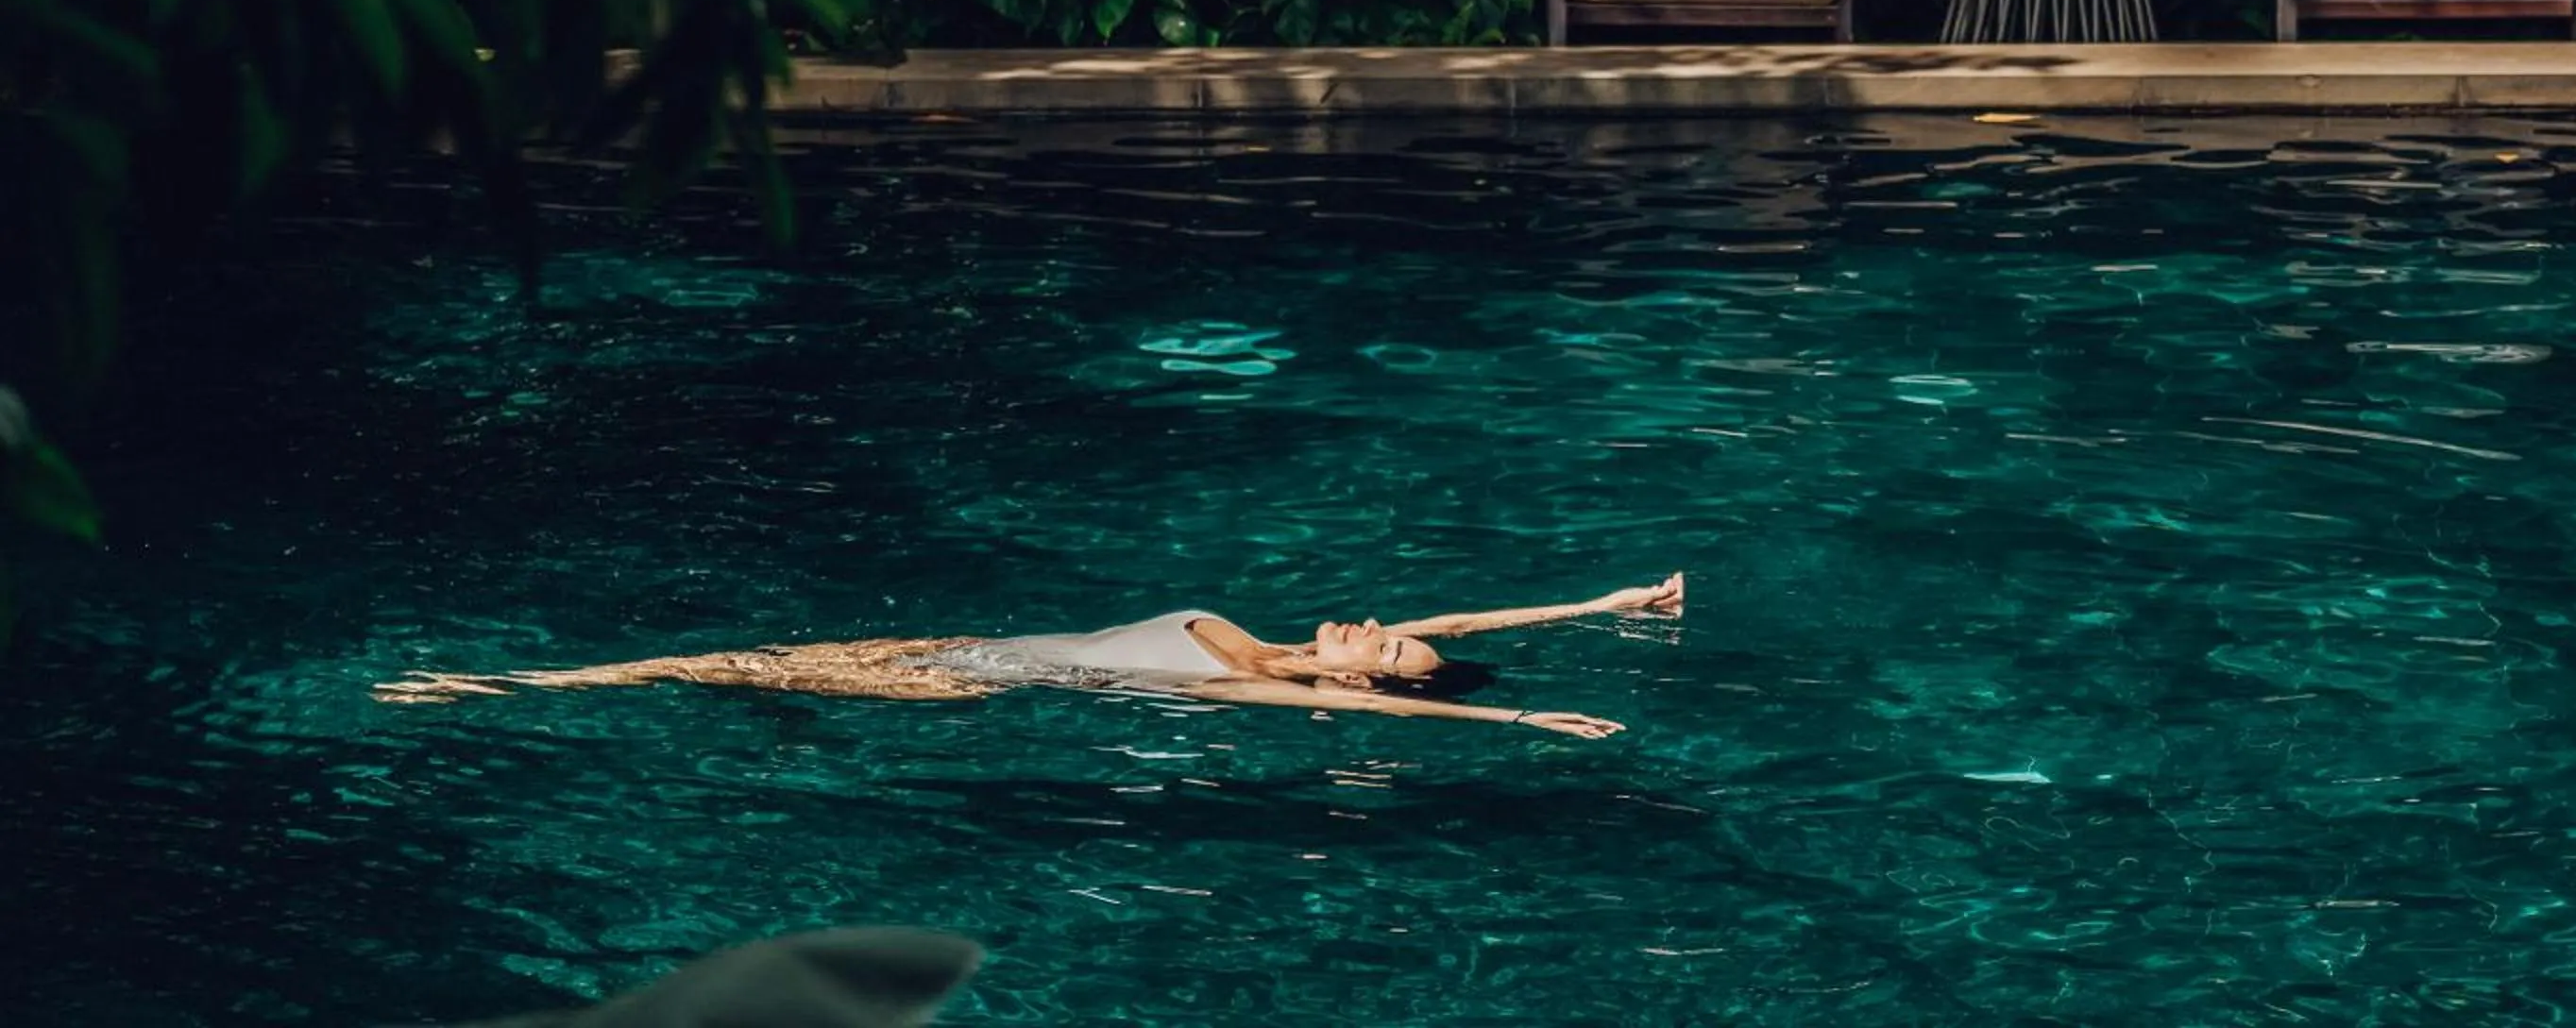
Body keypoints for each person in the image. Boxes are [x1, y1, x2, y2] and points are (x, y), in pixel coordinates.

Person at [373, 571, 1684, 740]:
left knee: (711, 667)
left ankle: (489, 692)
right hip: (947, 636)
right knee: (729, 659)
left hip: (969, 678)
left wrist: (1531, 725)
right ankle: (508, 688)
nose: (1375, 625)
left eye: (1375, 647)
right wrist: (1599, 608)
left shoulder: (1269, 682)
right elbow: (1448, 636)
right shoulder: (1281, 638)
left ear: (1351, 684)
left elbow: (1422, 707)